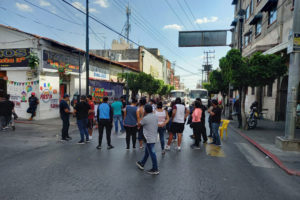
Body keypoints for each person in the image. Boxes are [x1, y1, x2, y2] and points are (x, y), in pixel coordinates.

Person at [136, 104, 159, 175]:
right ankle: (142, 163)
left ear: (145, 111)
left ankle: (155, 169)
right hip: (154, 136)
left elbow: (139, 124)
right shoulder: (155, 116)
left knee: (152, 153)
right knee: (147, 152)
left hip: (149, 138)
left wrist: (142, 115)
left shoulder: (145, 118)